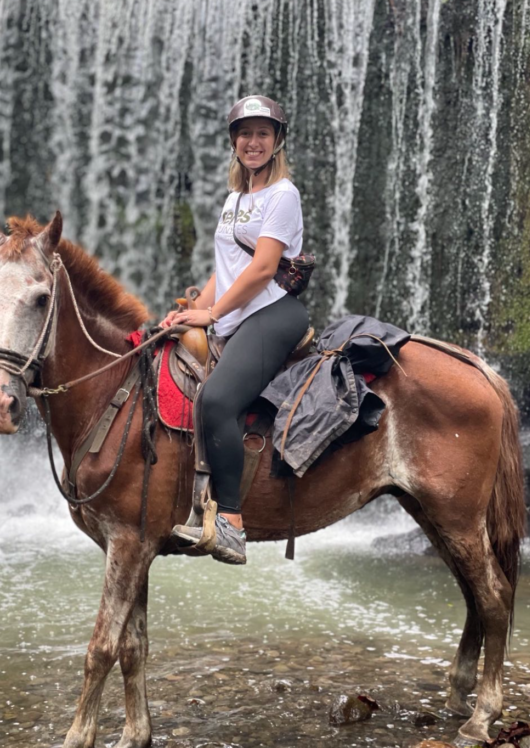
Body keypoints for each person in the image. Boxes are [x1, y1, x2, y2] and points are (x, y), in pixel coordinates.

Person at [160, 95, 309, 565]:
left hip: (274, 314)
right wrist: (190, 310)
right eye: (245, 134)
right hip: (235, 311)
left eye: (263, 133)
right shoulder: (235, 199)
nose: (253, 142)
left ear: (277, 140)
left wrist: (214, 314)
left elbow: (263, 269)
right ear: (233, 142)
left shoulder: (283, 194)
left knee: (217, 399)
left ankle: (230, 523)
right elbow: (225, 268)